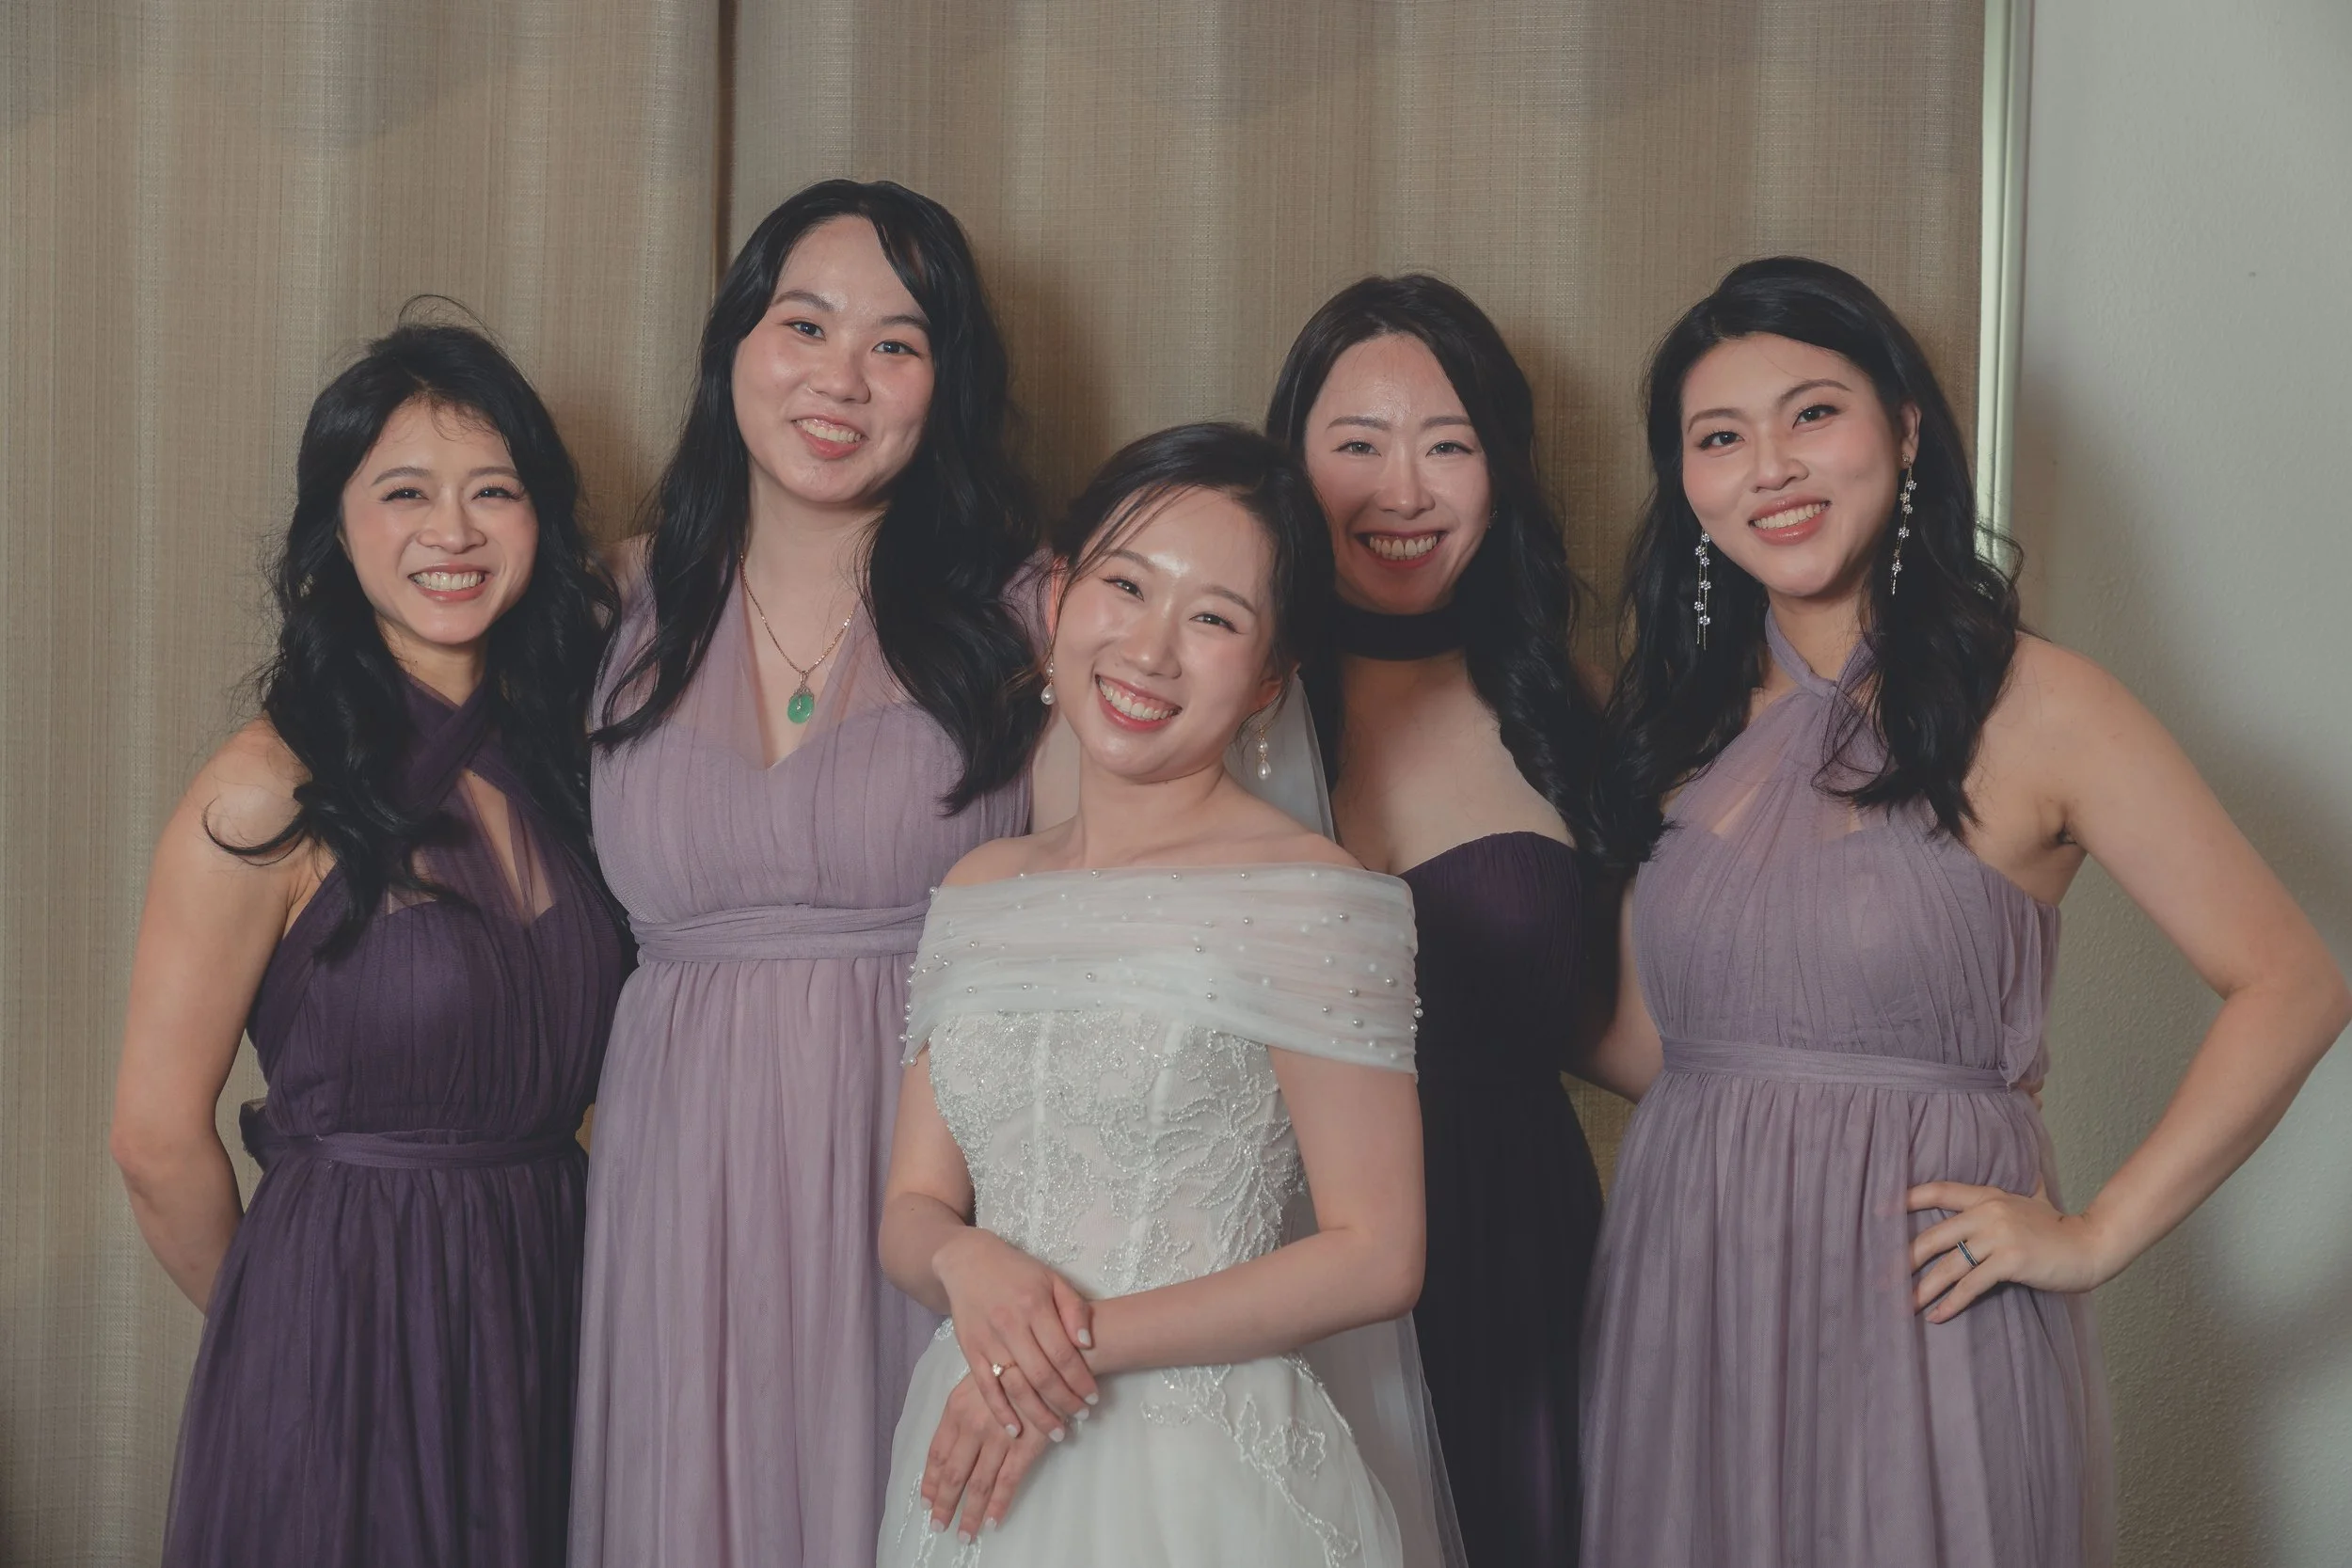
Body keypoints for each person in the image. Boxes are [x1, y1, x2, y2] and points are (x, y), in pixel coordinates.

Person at [1581, 256, 2351, 1568]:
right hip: (1690, 1286)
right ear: (1689, 485)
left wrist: (2099, 1228)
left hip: (1920, 1298)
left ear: (1906, 426)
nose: (1769, 465)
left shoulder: (2042, 704)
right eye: (1721, 437)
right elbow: (1663, 1047)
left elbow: (2295, 978)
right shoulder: (1676, 723)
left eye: (1812, 412)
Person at [874, 423, 1461, 1566]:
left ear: (1266, 684)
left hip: (1201, 1476)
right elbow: (911, 1206)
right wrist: (963, 1260)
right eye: (1126, 585)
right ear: (1060, 598)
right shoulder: (979, 887)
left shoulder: (1316, 896)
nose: (1149, 649)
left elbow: (1379, 1249)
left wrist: (1062, 1353)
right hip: (972, 1451)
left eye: (1213, 618)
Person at [570, 180, 1047, 1567]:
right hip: (675, 1187)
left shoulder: (1035, 617)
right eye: (805, 323)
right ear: (735, 348)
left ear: (944, 387)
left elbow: (1122, 924)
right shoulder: (610, 606)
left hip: (936, 1185)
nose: (842, 375)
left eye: (897, 343)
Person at [111, 321, 628, 1566]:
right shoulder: (263, 787)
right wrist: (294, 1322)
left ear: (538, 523)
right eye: (404, 493)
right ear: (335, 533)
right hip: (341, 1319)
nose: (451, 531)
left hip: (548, 1299)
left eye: (492, 491)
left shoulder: (579, 762)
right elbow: (153, 1137)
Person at [1265, 273, 1609, 1562]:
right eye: (1358, 443)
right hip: (1277, 1239)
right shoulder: (1214, 686)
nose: (1401, 490)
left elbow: (1614, 1018)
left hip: (1514, 1235)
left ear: (1502, 470)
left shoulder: (1557, 701)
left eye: (1447, 445)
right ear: (1293, 461)